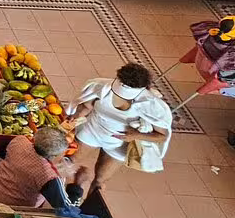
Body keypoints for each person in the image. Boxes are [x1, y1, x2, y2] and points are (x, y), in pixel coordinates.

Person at [68, 63, 173, 193]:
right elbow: (86, 106)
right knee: (69, 161)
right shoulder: (102, 88)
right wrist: (72, 122)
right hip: (93, 130)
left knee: (100, 181)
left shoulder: (150, 105)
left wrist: (135, 135)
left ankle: (88, 207)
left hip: (119, 144)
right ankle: (68, 192)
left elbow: (162, 136)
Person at [0, 127, 97, 218]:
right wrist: (78, 185)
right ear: (55, 155)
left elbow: (4, 154)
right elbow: (67, 210)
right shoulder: (49, 177)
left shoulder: (19, 140)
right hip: (6, 208)